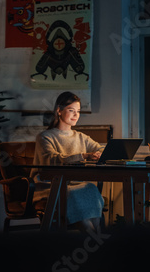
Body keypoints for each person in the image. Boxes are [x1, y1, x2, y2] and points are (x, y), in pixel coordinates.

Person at [30, 91, 104, 231]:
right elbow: (52, 159)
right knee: (75, 194)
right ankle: (93, 241)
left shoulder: (81, 137)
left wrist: (103, 153)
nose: (76, 115)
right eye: (71, 110)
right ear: (59, 110)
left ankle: (96, 239)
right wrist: (84, 155)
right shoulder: (45, 137)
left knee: (91, 188)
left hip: (75, 185)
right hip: (50, 187)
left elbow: (99, 148)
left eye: (78, 111)